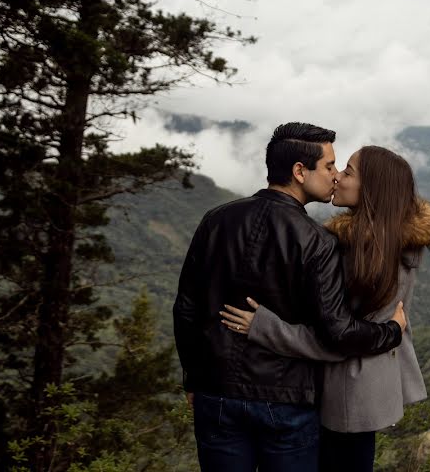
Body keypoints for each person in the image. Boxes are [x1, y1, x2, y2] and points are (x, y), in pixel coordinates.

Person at [173, 123, 408, 472]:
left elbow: (186, 309)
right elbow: (338, 332)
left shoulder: (216, 220)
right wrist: (392, 332)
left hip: (216, 391)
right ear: (300, 171)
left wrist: (194, 378)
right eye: (329, 166)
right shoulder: (317, 241)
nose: (334, 176)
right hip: (286, 401)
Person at [220, 145, 430, 472]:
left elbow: (342, 341)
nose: (337, 176)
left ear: (372, 190)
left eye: (348, 172)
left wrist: (263, 326)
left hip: (347, 396)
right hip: (360, 393)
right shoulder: (390, 243)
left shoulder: (368, 255)